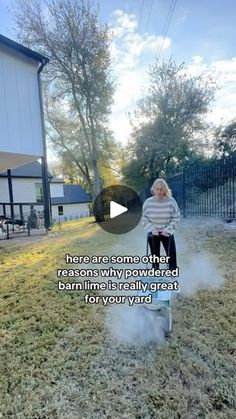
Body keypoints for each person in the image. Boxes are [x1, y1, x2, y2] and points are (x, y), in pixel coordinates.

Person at [141, 178, 180, 270]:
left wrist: (168, 230)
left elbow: (176, 217)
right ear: (153, 189)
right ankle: (155, 272)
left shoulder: (171, 201)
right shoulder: (148, 202)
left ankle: (172, 274)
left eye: (161, 189)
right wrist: (151, 229)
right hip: (153, 233)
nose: (159, 191)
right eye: (157, 189)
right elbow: (144, 218)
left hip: (166, 232)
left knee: (171, 256)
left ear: (165, 190)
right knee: (155, 257)